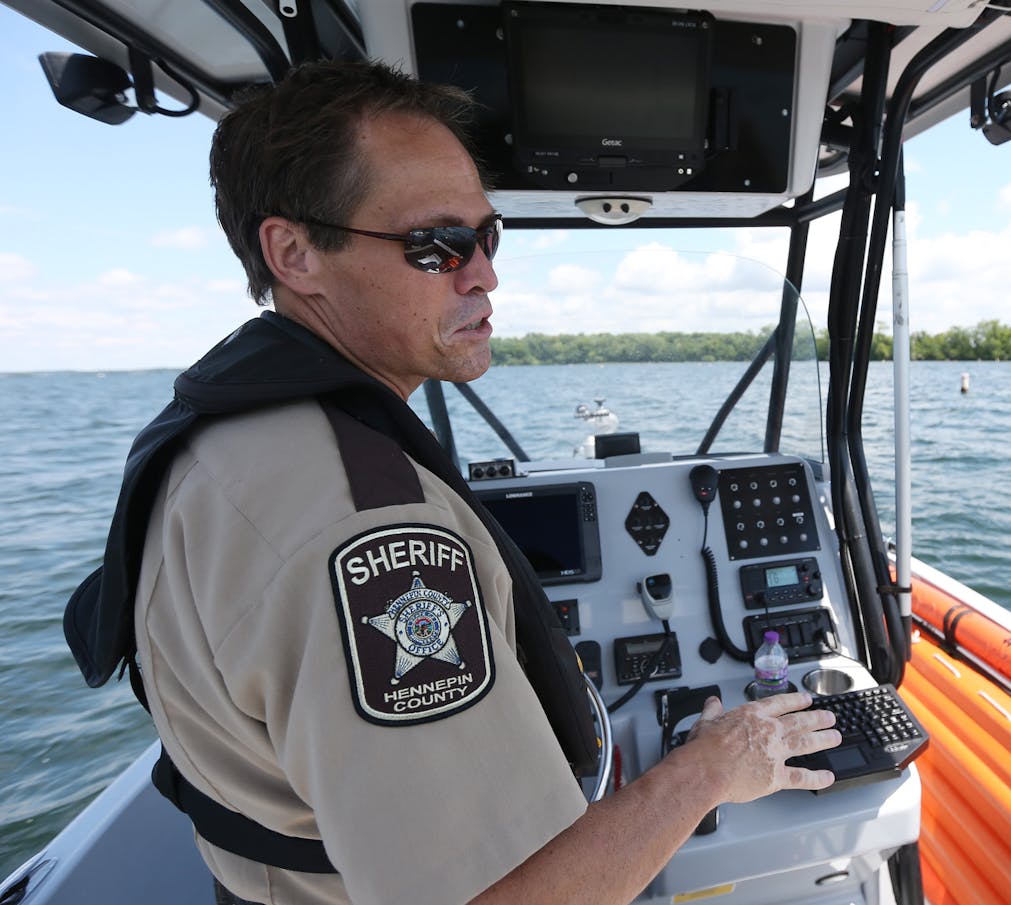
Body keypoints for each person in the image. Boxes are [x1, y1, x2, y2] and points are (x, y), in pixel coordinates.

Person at [65, 61, 840, 905]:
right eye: (435, 244)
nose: (484, 275)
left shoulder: (234, 433)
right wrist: (709, 770)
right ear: (294, 254)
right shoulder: (362, 525)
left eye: (488, 236)